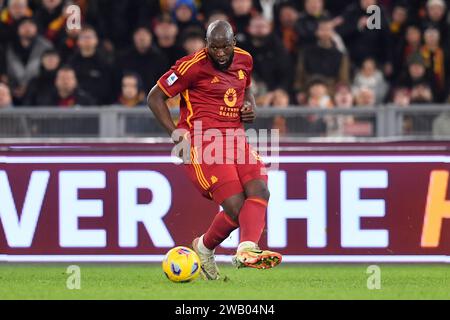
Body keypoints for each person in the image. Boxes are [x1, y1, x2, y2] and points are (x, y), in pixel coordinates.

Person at [147, 20, 282, 280]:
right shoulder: (191, 66)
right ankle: (205, 247)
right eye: (214, 47)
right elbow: (155, 97)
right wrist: (176, 135)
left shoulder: (245, 59)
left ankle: (246, 249)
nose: (219, 53)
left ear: (234, 43)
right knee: (235, 207)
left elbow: (246, 90)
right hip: (202, 142)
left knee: (260, 189)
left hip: (235, 138)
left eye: (224, 47)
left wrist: (249, 107)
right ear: (206, 45)